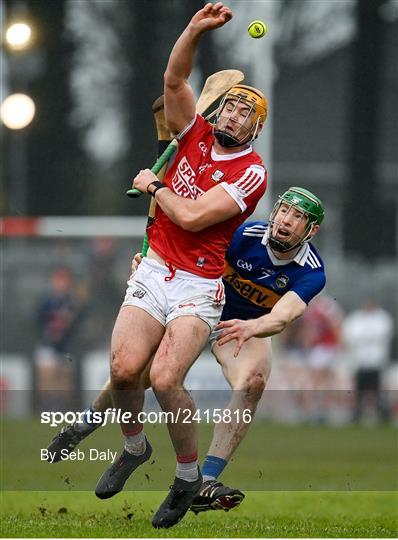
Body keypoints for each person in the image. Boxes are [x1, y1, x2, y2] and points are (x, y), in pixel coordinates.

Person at [67, 2, 267, 529]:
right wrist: (194, 29)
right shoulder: (192, 133)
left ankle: (186, 476)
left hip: (199, 287)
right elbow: (174, 77)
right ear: (218, 111)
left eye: (248, 115)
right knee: (122, 370)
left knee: (163, 378)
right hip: (154, 270)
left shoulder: (251, 173)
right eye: (232, 108)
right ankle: (134, 449)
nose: (236, 116)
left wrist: (154, 185)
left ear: (254, 132)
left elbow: (198, 217)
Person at [47, 186, 326, 514]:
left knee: (252, 384)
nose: (286, 221)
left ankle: (204, 481)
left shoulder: (311, 270)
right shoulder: (243, 234)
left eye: (297, 217)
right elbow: (182, 243)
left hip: (241, 327)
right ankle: (87, 422)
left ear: (311, 230)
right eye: (284, 211)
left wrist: (251, 326)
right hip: (194, 307)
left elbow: (283, 315)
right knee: (136, 372)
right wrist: (152, 263)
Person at [342, 298, 394, 422]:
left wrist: (364, 337)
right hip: (360, 360)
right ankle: (357, 413)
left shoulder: (382, 317)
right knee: (359, 389)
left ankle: (382, 413)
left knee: (377, 389)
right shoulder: (356, 318)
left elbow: (383, 334)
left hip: (376, 360)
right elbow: (350, 336)